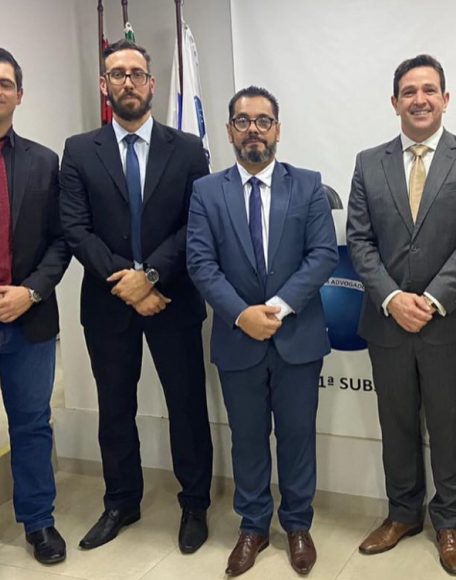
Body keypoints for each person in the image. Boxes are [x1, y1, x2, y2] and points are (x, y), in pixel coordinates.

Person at [59, 39, 213, 553]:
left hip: (173, 298)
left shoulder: (187, 149)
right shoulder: (80, 150)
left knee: (186, 405)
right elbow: (76, 229)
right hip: (108, 304)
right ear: (104, 85)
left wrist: (150, 276)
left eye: (137, 73)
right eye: (118, 73)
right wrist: (128, 283)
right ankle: (121, 501)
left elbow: (196, 224)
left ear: (151, 83)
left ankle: (195, 503)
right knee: (115, 407)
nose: (128, 81)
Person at [347, 54, 456, 575]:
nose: (420, 99)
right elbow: (359, 241)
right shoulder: (368, 162)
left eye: (429, 90)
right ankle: (403, 514)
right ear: (395, 102)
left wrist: (431, 300)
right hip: (387, 320)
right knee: (396, 423)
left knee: (450, 425)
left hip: (449, 320)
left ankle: (450, 523)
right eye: (409, 91)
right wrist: (392, 298)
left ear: (445, 99)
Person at [186, 86, 337, 576]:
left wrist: (274, 308)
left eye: (263, 120)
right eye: (244, 121)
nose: (254, 129)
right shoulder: (207, 191)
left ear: (277, 130)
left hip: (297, 337)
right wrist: (241, 314)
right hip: (237, 338)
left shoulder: (308, 185)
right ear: (230, 131)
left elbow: (323, 255)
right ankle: (252, 526)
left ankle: (297, 525)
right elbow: (200, 263)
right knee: (248, 439)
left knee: (297, 437)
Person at [0, 46, 71, 578]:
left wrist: (28, 292)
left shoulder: (44, 161)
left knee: (33, 424)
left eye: (5, 83)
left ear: (19, 95)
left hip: (31, 318)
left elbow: (62, 239)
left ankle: (38, 521)